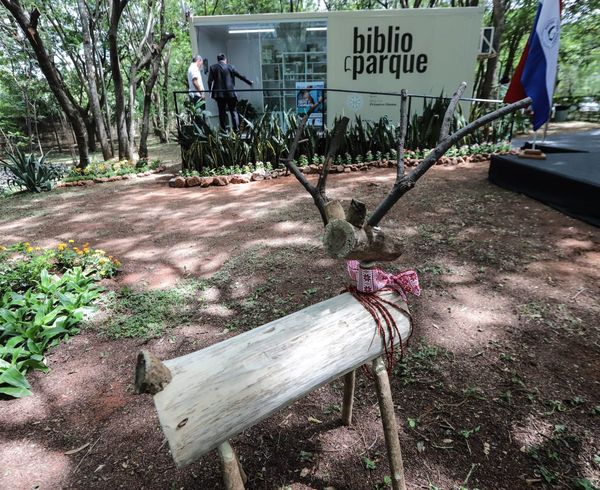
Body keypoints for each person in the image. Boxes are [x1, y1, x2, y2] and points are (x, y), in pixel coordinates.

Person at [207, 53, 253, 132]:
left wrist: (211, 92)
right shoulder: (231, 67)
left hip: (219, 94)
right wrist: (249, 82)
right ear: (225, 59)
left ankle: (223, 130)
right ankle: (236, 130)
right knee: (233, 111)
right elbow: (240, 76)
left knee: (221, 112)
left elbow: (209, 81)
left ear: (218, 60)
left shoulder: (213, 67)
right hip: (231, 93)